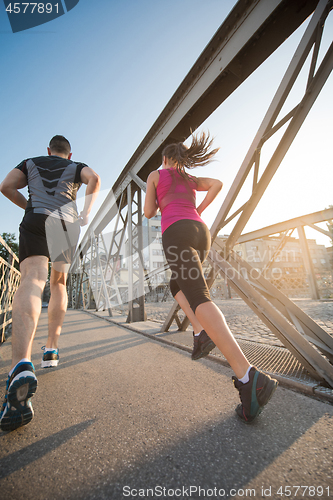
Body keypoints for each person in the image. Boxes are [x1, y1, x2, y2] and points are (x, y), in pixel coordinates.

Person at [144, 132, 278, 423]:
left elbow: (148, 212)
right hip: (199, 232)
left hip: (176, 232)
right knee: (177, 284)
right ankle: (199, 333)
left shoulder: (156, 173)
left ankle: (248, 376)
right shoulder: (190, 180)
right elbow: (217, 184)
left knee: (198, 296)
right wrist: (199, 209)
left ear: (165, 159)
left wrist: (161, 200)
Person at [0, 135, 100, 432]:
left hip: (35, 218)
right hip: (66, 222)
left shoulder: (30, 162)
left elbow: (5, 186)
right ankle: (52, 350)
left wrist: (27, 207)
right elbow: (94, 178)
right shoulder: (76, 166)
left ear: (49, 151)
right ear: (69, 155)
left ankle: (20, 363)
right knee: (59, 283)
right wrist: (86, 211)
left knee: (32, 278)